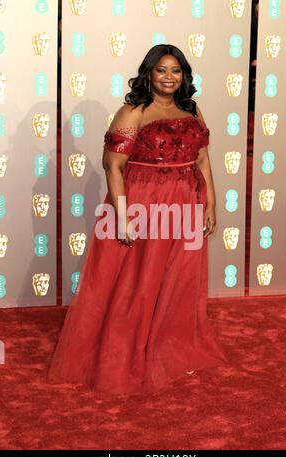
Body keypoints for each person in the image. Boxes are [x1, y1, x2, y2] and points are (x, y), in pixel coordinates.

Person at [47, 44, 227, 398]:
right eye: (162, 70)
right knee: (138, 279)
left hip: (186, 200)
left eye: (176, 71)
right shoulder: (133, 112)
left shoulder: (192, 110)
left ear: (184, 75)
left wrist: (210, 201)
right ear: (149, 73)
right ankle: (125, 350)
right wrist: (123, 213)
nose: (169, 77)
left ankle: (167, 345)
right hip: (146, 201)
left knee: (178, 276)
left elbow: (202, 159)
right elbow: (113, 165)